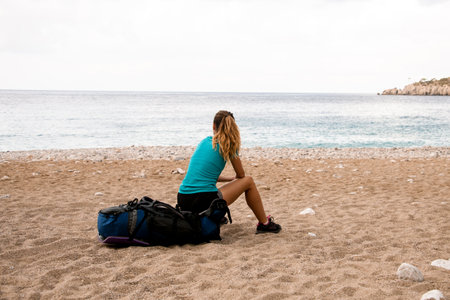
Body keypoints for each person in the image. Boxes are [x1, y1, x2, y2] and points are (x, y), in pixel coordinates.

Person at [177, 110, 281, 234]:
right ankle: (265, 223)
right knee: (249, 181)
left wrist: (231, 179)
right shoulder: (229, 146)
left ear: (213, 126)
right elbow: (241, 175)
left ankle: (215, 217)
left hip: (183, 199)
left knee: (210, 188)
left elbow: (207, 176)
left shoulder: (205, 142)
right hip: (203, 202)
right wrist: (236, 178)